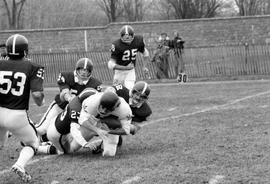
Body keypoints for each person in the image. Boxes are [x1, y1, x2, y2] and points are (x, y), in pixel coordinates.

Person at [0, 34, 45, 182]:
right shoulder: (33, 67)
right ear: (25, 51)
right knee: (33, 143)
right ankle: (20, 165)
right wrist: (40, 102)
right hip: (16, 115)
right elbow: (37, 95)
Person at [36, 57, 102, 141]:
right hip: (60, 107)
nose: (83, 72)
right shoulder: (67, 76)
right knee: (42, 129)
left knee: (66, 136)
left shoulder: (95, 84)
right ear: (77, 69)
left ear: (90, 72)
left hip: (75, 113)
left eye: (86, 70)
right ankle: (31, 139)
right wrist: (70, 98)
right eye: (81, 69)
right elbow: (64, 92)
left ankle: (45, 142)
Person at [37, 88, 100, 155]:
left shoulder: (85, 99)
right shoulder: (76, 108)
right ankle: (37, 149)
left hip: (61, 124)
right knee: (67, 151)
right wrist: (85, 143)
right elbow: (74, 129)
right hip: (57, 133)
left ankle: (46, 141)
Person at [77, 91, 133, 156]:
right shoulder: (92, 101)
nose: (103, 111)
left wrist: (109, 131)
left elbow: (126, 130)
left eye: (107, 110)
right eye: (102, 107)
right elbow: (81, 119)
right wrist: (97, 130)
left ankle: (99, 144)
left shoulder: (125, 110)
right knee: (74, 146)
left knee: (109, 154)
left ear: (116, 107)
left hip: (109, 127)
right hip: (92, 119)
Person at [100, 81, 152, 147]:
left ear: (145, 99)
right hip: (103, 114)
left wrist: (124, 123)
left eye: (142, 97)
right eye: (137, 94)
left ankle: (105, 140)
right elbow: (109, 91)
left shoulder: (145, 111)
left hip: (116, 123)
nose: (138, 98)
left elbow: (134, 129)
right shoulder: (122, 91)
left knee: (112, 148)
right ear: (132, 92)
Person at [107, 25, 151, 90]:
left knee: (129, 89)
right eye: (125, 37)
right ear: (121, 36)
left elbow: (146, 53)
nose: (128, 40)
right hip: (119, 71)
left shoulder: (138, 41)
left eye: (129, 37)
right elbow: (110, 65)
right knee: (117, 92)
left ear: (133, 35)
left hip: (130, 71)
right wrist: (126, 67)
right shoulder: (117, 45)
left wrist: (144, 66)